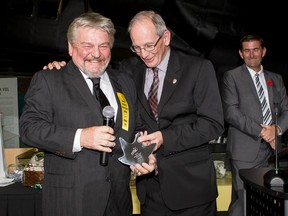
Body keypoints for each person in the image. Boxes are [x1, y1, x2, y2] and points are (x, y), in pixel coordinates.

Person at [44, 10, 224, 216]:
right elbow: (94, 69)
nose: (144, 53)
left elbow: (212, 124)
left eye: (149, 46)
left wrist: (164, 138)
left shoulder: (199, 68)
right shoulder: (129, 70)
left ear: (165, 38)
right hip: (149, 188)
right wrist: (62, 69)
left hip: (192, 189)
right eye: (136, 47)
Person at [19, 12, 156, 216]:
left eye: (103, 45)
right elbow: (29, 128)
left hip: (118, 202)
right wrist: (81, 137)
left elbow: (131, 132)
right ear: (70, 47)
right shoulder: (49, 80)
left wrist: (140, 157)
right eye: (87, 46)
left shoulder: (124, 82)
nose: (96, 54)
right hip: (71, 203)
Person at [222, 34, 288, 216]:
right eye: (247, 50)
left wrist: (276, 130)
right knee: (243, 201)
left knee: (267, 201)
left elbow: (286, 110)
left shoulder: (276, 79)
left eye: (256, 49)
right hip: (244, 151)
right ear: (241, 54)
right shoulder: (231, 77)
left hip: (271, 152)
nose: (252, 54)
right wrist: (263, 131)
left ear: (263, 51)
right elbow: (231, 112)